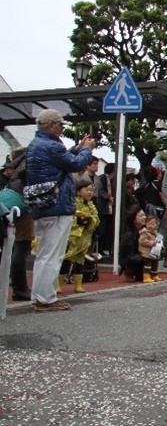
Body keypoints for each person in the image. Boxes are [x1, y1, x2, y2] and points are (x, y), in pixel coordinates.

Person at [27, 109, 95, 311]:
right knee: (53, 254)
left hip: (44, 205)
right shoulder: (50, 145)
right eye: (59, 125)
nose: (61, 128)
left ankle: (40, 296)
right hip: (56, 205)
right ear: (49, 125)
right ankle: (46, 298)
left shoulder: (37, 144)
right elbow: (74, 164)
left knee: (44, 254)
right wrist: (87, 150)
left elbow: (63, 161)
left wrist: (77, 148)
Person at [1, 147, 34, 301]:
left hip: (11, 207)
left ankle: (17, 286)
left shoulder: (15, 170)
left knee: (15, 247)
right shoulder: (26, 166)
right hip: (22, 208)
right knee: (22, 246)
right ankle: (20, 288)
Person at [59, 180, 100, 294]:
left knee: (80, 262)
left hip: (85, 238)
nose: (89, 192)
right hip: (72, 238)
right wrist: (79, 220)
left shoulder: (91, 205)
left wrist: (91, 220)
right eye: (86, 190)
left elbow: (96, 220)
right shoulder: (73, 204)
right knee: (66, 260)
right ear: (78, 191)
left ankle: (78, 285)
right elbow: (69, 218)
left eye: (91, 190)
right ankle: (58, 285)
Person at [119, 205, 148, 281]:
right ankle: (128, 272)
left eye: (144, 215)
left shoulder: (145, 232)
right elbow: (126, 255)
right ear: (134, 219)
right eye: (141, 216)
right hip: (131, 259)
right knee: (137, 259)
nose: (144, 217)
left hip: (142, 257)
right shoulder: (129, 235)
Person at [96, 163, 115, 258]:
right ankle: (99, 249)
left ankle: (104, 249)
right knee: (101, 230)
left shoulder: (113, 180)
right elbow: (100, 190)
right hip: (103, 208)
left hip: (110, 209)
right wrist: (108, 197)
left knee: (108, 229)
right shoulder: (102, 178)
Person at [138, 214, 163, 282]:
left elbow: (159, 241)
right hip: (146, 252)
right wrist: (151, 243)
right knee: (147, 265)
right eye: (149, 223)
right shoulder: (144, 232)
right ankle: (146, 277)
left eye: (153, 224)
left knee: (155, 264)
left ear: (156, 225)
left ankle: (154, 275)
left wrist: (161, 245)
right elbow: (142, 241)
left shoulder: (156, 233)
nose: (150, 226)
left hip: (154, 252)